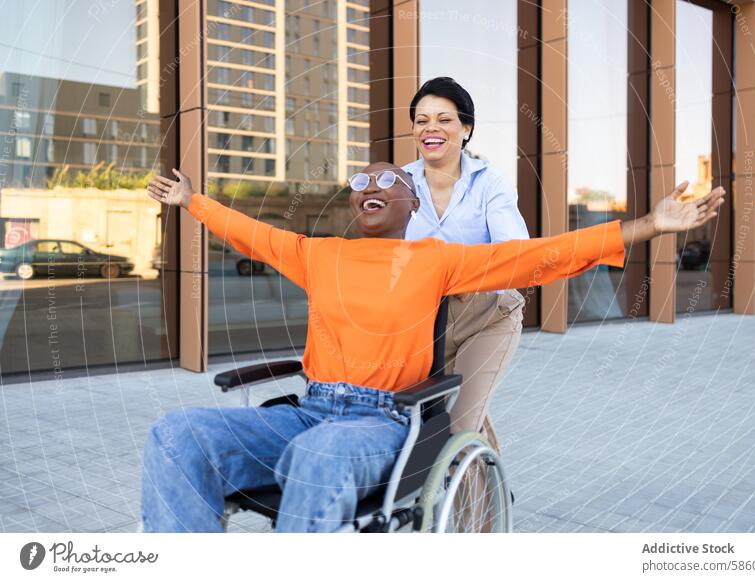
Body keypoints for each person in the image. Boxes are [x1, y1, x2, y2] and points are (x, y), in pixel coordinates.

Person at [141, 162, 724, 532]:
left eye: (387, 182)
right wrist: (192, 200)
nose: (370, 188)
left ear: (412, 205)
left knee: (320, 455)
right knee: (175, 435)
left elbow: (539, 255)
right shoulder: (319, 253)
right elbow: (249, 232)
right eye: (361, 183)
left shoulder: (436, 259)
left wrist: (648, 225)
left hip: (382, 420)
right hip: (311, 410)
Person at [402, 77, 529, 528]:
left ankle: (473, 532)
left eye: (443, 119)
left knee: (459, 426)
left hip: (488, 315)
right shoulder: (401, 183)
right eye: (421, 120)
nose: (430, 128)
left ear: (466, 129)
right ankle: (495, 494)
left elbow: (513, 249)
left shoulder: (488, 181)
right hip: (428, 321)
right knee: (459, 414)